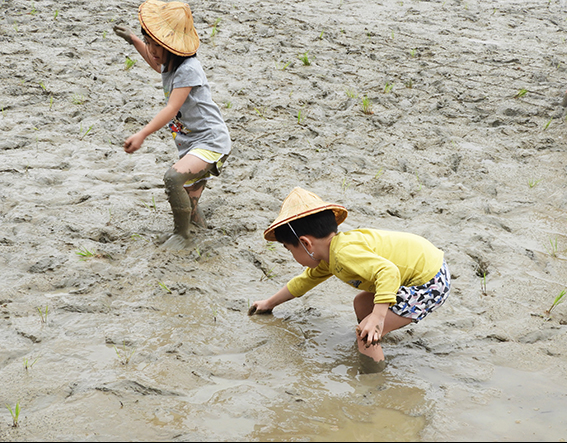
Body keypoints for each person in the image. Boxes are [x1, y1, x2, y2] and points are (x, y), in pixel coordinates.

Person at [248, 187, 451, 373]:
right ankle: (374, 339)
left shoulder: (344, 254)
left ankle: (374, 382)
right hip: (427, 268)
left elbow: (388, 272)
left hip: (429, 281)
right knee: (362, 303)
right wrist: (269, 303)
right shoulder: (330, 254)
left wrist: (378, 317)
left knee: (363, 332)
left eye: (289, 249)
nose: (292, 255)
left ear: (306, 244)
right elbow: (303, 282)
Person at [113, 0, 231, 249]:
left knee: (173, 179)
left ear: (173, 47)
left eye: (156, 45)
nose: (151, 49)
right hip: (191, 142)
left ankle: (182, 235)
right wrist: (134, 40)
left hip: (210, 141)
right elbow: (157, 64)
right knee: (189, 199)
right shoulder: (170, 63)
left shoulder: (189, 69)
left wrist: (143, 133)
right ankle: (196, 223)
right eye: (149, 43)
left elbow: (171, 108)